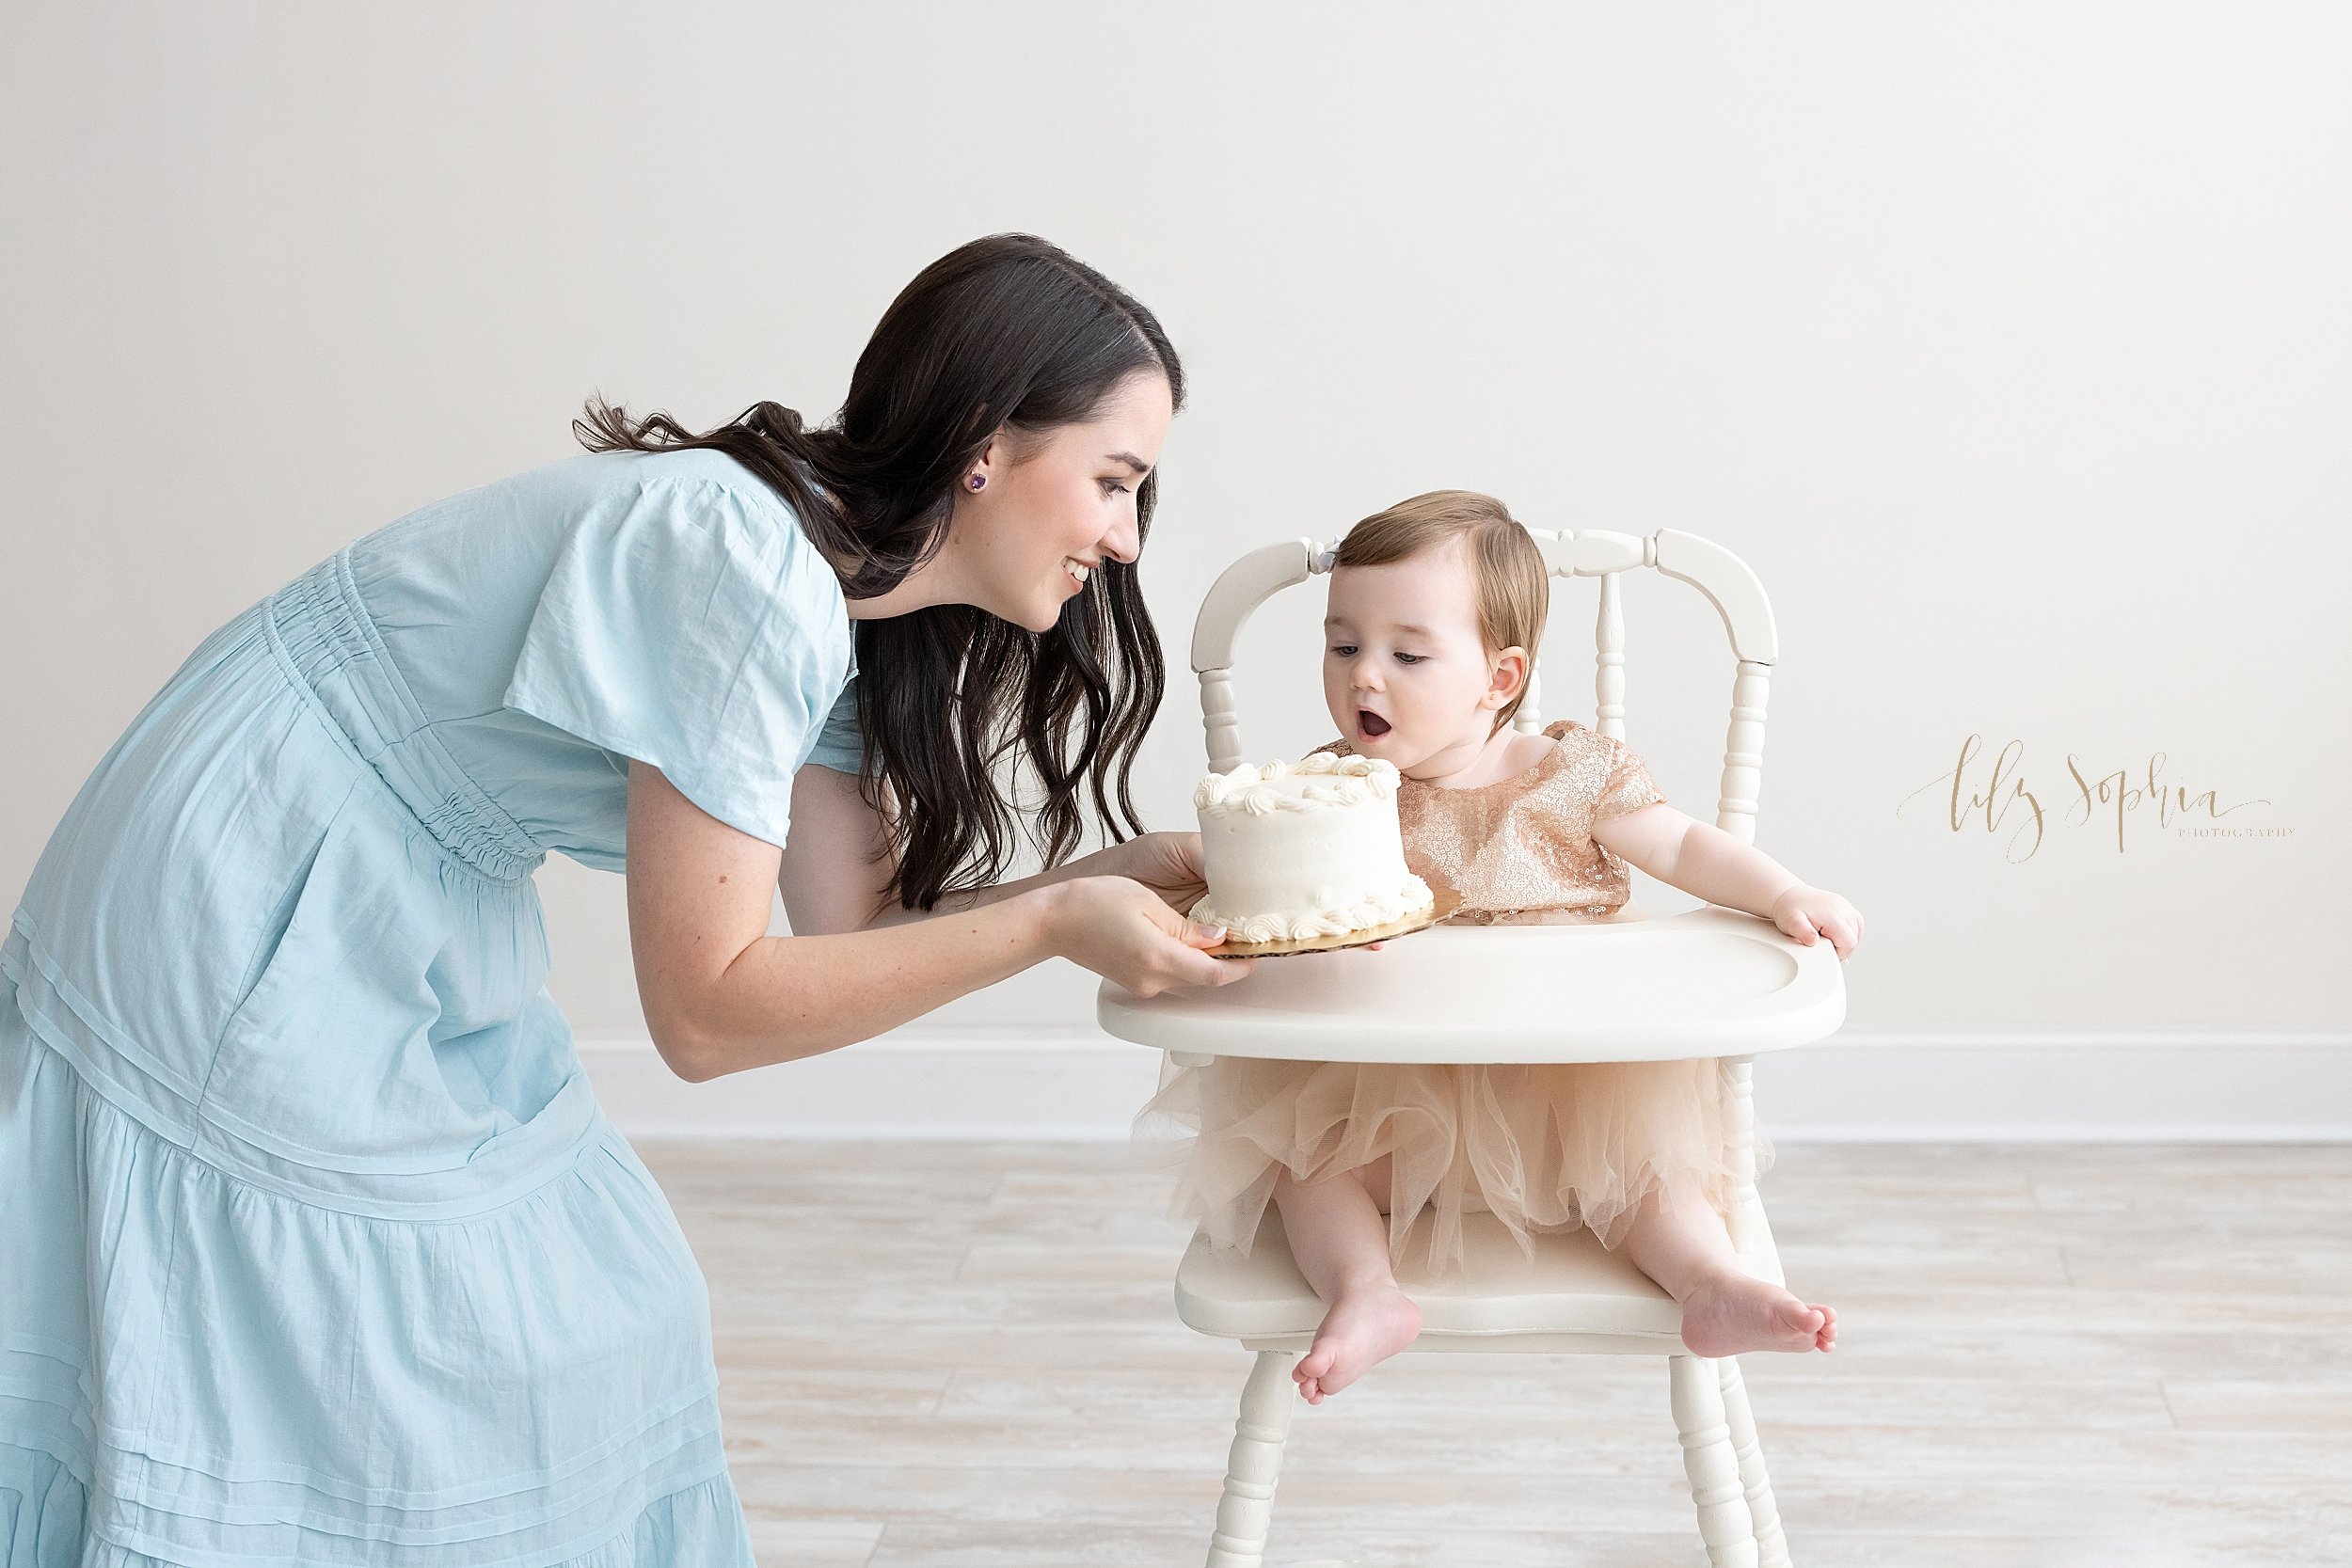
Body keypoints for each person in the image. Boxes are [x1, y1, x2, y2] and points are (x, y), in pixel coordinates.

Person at [0, 232, 1249, 1565]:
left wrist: (1096, 882)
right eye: (1116, 481)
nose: (1124, 540)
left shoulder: (834, 594)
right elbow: (706, 1017)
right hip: (249, 863)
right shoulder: (746, 563)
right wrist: (1055, 925)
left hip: (378, 870)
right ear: (987, 443)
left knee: (586, 1318)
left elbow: (853, 934)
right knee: (384, 1345)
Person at [1136, 490, 1865, 1405]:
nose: (1366, 675)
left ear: (1499, 676)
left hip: (1574, 1086)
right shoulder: (1335, 793)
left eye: (1407, 652)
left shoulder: (1569, 774)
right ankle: (1365, 1293)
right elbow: (1288, 910)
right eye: (1342, 643)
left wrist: (1784, 891)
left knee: (1651, 1179)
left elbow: (1681, 846)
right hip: (1394, 1093)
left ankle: (1710, 1283)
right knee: (1302, 1166)